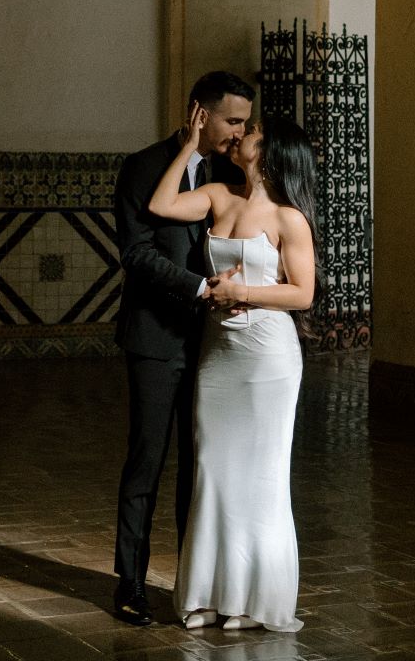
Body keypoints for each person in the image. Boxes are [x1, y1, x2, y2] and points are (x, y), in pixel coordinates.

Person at [147, 110, 317, 634]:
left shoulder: (290, 219)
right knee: (213, 470)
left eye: (255, 133)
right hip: (219, 355)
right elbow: (161, 204)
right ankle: (205, 595)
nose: (243, 135)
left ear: (273, 153)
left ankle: (251, 601)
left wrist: (243, 291)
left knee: (260, 478)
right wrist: (190, 146)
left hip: (268, 358)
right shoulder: (220, 195)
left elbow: (302, 294)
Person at [110, 71, 254, 627]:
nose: (239, 133)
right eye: (232, 120)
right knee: (147, 463)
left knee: (201, 468)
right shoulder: (143, 168)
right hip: (153, 337)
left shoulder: (230, 172)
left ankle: (194, 589)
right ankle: (130, 586)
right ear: (200, 113)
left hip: (213, 346)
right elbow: (137, 255)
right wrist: (200, 288)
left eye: (245, 122)